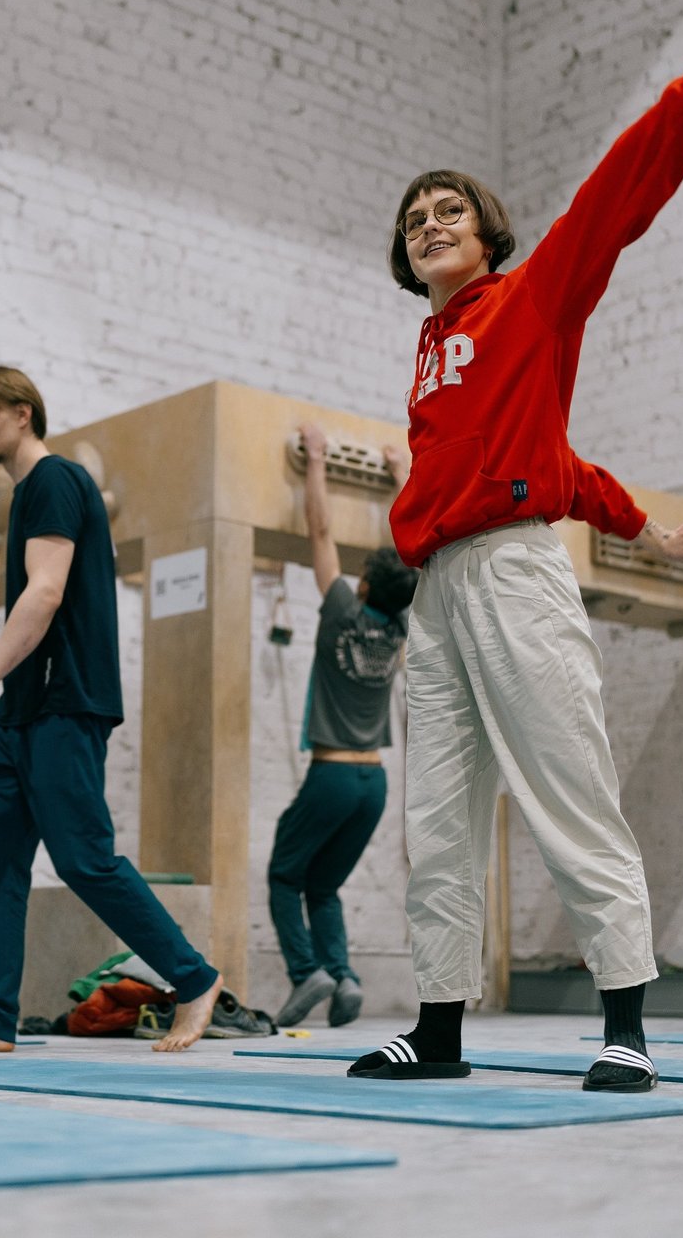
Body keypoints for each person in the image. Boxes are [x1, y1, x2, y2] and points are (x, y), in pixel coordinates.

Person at [348, 32, 683, 1092]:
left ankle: (627, 1021)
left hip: (512, 576)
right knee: (438, 821)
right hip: (440, 595)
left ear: (487, 231)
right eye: (415, 221)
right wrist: (650, 526)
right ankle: (441, 1027)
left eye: (448, 209)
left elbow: (620, 186)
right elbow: (557, 460)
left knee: (569, 793)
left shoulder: (532, 297)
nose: (430, 225)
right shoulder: (434, 357)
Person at [0, 366, 228, 1055]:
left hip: (63, 700)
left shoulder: (55, 481)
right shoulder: (27, 492)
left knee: (83, 859)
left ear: (21, 413)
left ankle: (194, 978)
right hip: (24, 710)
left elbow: (46, 592)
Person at [269, 422, 417, 1029]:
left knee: (284, 873)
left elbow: (321, 531)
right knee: (322, 886)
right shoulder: (402, 628)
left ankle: (308, 972)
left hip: (332, 774)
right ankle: (346, 976)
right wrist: (402, 478)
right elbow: (415, 553)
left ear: (361, 586)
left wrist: (317, 461)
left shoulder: (339, 611)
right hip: (374, 785)